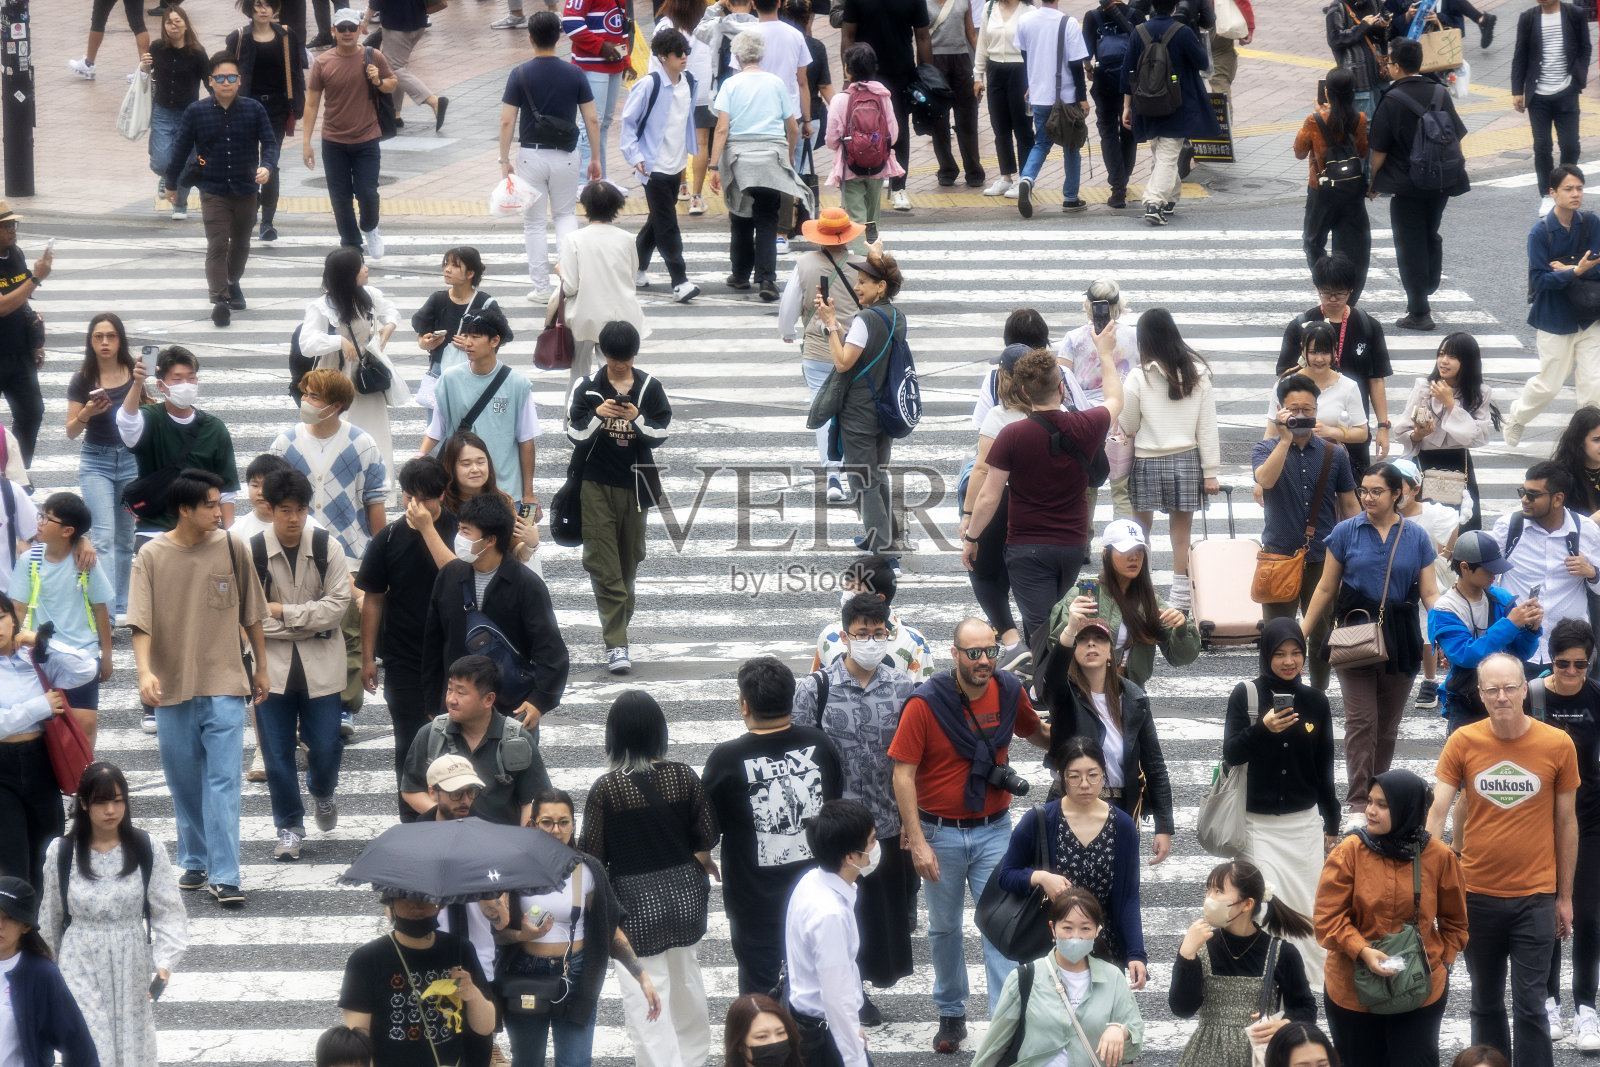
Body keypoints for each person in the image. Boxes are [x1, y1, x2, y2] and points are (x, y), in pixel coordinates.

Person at [887, 617, 1051, 1053]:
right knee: (943, 930)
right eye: (973, 653)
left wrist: (1083, 732)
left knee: (1002, 926)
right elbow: (903, 774)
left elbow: (1034, 732)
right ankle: (951, 1012)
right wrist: (917, 840)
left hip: (994, 829)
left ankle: (1004, 1021)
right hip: (939, 833)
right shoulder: (925, 704)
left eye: (990, 652)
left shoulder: (1009, 691)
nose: (983, 661)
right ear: (954, 655)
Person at [1426, 651, 1580, 1067]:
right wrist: (1423, 878)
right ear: (1480, 694)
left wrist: (1564, 897)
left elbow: (1567, 824)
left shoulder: (1557, 744)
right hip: (1475, 894)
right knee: (1485, 1002)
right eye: (1492, 690)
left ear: (1524, 690)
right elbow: (1438, 809)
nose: (1502, 697)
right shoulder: (1463, 741)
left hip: (1536, 896)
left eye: (1511, 687)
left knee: (1532, 1004)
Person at [128, 469, 269, 908]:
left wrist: (261, 666)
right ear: (185, 509)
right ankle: (194, 857)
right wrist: (144, 672)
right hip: (171, 688)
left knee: (224, 780)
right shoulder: (150, 556)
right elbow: (140, 621)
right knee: (184, 781)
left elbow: (252, 612)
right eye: (209, 504)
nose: (219, 510)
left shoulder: (232, 546)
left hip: (225, 682)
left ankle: (226, 875)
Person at [579, 692, 717, 1067]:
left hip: (635, 908)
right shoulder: (684, 776)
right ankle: (694, 1060)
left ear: (615, 736)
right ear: (659, 732)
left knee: (647, 994)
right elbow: (706, 836)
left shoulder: (606, 789)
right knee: (687, 984)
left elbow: (590, 856)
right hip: (686, 901)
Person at [793, 593, 918, 999]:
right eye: (862, 633)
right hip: (838, 828)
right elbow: (800, 759)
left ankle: (864, 985)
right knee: (840, 916)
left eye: (878, 633)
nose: (870, 640)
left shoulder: (902, 686)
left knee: (882, 918)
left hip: (885, 823)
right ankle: (850, 994)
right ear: (845, 636)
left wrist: (910, 826)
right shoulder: (816, 688)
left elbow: (913, 758)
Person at [964, 340, 1124, 639]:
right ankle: (1042, 680)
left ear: (1024, 391)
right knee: (1054, 621)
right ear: (1062, 388)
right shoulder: (1087, 425)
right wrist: (1104, 353)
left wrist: (972, 536)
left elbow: (989, 495)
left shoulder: (1012, 434)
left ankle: (1046, 680)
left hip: (1028, 547)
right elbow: (1115, 397)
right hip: (1072, 546)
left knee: (1044, 633)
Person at [1304, 463, 1440, 812]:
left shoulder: (1416, 536)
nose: (1367, 497)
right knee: (1361, 721)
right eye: (1363, 491)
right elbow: (1325, 588)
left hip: (1401, 634)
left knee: (1387, 727)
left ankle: (1380, 798)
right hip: (1355, 631)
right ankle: (1357, 803)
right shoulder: (1345, 532)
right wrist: (1298, 633)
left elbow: (1429, 593)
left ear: (1398, 494)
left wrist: (1447, 632)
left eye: (1376, 491)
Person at [703, 657, 843, 996]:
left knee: (761, 994)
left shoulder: (726, 759)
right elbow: (835, 803)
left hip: (754, 902)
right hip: (817, 892)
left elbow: (706, 826)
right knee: (819, 988)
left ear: (744, 704)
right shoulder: (820, 745)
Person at [489, 788, 656, 1067]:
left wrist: (642, 976)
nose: (556, 830)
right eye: (547, 822)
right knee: (528, 1061)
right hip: (524, 974)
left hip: (576, 975)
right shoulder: (512, 870)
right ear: (532, 824)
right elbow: (496, 934)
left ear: (573, 824)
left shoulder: (588, 869)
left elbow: (608, 928)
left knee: (576, 1062)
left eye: (564, 822)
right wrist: (522, 934)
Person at [1315, 769, 1470, 1066]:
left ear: (1407, 809)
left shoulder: (1439, 856)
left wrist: (1443, 965)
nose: (1370, 811)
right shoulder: (1349, 852)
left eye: (1383, 805)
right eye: (1370, 802)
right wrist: (1363, 951)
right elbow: (1327, 920)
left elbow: (1456, 922)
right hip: (1352, 992)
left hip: (1419, 990)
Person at [40, 763, 189, 1067]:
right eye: (101, 802)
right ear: (83, 804)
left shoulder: (148, 848)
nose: (111, 810)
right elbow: (50, 916)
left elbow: (169, 911)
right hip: (78, 961)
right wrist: (43, 973)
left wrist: (164, 963)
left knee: (132, 1048)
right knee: (92, 1047)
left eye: (118, 801)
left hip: (131, 963)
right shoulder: (62, 852)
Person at [1221, 617, 1342, 988]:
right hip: (1257, 825)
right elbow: (1230, 754)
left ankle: (1305, 986)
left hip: (1302, 825)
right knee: (1264, 904)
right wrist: (1263, 730)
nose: (1289, 661)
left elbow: (1324, 765)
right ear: (1265, 655)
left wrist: (1331, 823)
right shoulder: (1246, 695)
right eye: (1280, 654)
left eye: (1296, 653)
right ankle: (1266, 982)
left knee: (1307, 907)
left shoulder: (1316, 702)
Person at [251, 469, 352, 863]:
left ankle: (323, 792)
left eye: (301, 509)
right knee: (276, 755)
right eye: (285, 510)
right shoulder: (253, 551)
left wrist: (281, 614)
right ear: (270, 509)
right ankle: (289, 826)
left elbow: (336, 610)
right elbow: (251, 617)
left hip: (323, 667)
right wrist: (300, 620)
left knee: (326, 746)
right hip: (269, 670)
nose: (294, 518)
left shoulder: (329, 548)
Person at [566, 321, 673, 675]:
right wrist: (598, 415)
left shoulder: (650, 388)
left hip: (636, 489)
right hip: (594, 486)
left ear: (634, 355)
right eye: (613, 358)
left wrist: (637, 418)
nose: (619, 365)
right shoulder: (587, 387)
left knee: (629, 563)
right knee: (603, 563)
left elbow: (661, 432)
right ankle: (616, 644)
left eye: (625, 358)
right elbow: (573, 431)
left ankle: (618, 623)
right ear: (604, 354)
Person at [997, 734, 1147, 981]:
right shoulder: (1039, 820)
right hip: (1050, 947)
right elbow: (1007, 875)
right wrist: (1040, 877)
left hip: (1104, 946)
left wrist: (1136, 954)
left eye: (1093, 775)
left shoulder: (1122, 826)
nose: (1085, 784)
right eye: (1074, 777)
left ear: (1104, 773)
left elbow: (1129, 896)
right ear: (1061, 776)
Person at [357, 457, 455, 816]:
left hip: (451, 659)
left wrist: (429, 529)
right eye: (411, 496)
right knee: (410, 746)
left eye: (427, 498)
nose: (418, 506)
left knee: (455, 745)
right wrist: (368, 658)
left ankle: (456, 818)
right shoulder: (389, 538)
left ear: (442, 494)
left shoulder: (459, 531)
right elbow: (372, 599)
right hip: (403, 659)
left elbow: (458, 576)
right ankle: (414, 822)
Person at [1253, 372, 1360, 691]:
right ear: (1280, 409)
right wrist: (1284, 439)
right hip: (1278, 555)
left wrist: (1360, 547)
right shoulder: (1265, 449)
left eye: (1308, 409)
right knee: (1277, 634)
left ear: (1317, 409)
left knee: (1322, 631)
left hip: (1322, 557)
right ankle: (1277, 695)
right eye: (1293, 409)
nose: (1301, 415)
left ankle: (1318, 695)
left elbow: (1351, 506)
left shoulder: (1334, 453)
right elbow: (1265, 481)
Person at [420, 493, 567, 724]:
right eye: (460, 529)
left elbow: (550, 650)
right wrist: (432, 703)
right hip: (456, 710)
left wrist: (539, 702)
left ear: (490, 540)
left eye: (466, 532)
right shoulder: (449, 576)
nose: (459, 537)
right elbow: (433, 643)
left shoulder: (526, 585)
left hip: (510, 710)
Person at [163, 53, 277, 328]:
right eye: (221, 78)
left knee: (241, 244)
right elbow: (179, 151)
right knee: (217, 243)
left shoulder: (253, 110)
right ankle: (219, 300)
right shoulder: (196, 111)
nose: (227, 82)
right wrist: (170, 184)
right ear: (211, 82)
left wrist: (267, 167)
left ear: (240, 81)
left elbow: (270, 144)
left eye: (232, 77)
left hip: (246, 189)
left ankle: (230, 281)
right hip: (212, 190)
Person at [499, 11, 604, 305]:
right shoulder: (575, 73)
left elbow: (507, 121)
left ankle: (542, 288)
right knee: (565, 215)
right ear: (559, 37)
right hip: (566, 156)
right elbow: (592, 119)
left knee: (533, 223)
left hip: (530, 156)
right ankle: (569, 284)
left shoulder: (519, 74)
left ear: (530, 38)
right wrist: (595, 157)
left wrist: (503, 159)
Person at [1367, 36, 1470, 332]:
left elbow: (1380, 151)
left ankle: (1419, 311)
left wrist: (1373, 183)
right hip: (1442, 181)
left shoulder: (1392, 99)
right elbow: (1456, 133)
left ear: (1396, 66)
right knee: (1429, 233)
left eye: (1388, 61)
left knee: (1409, 245)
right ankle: (1429, 280)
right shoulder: (1439, 92)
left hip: (1408, 185)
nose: (1387, 65)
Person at [971, 889, 1143, 1067]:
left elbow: (1133, 1043)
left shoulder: (1113, 978)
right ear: (1053, 929)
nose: (1076, 936)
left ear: (1097, 931)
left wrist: (1121, 1031)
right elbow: (995, 1045)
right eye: (1067, 928)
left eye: (1085, 928)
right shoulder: (1025, 978)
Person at [1170, 860, 1319, 1067]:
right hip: (1206, 1055)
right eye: (1209, 890)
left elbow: (1306, 1007)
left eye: (1219, 891)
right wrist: (1186, 955)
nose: (1209, 899)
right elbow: (1182, 1008)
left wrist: (1284, 1024)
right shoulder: (1200, 946)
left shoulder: (1280, 952)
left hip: (1259, 1055)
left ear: (1247, 904)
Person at [1119, 308, 1218, 613]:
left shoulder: (1138, 376)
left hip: (1148, 459)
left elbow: (1129, 422)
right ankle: (1180, 601)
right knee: (1181, 536)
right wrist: (1210, 472)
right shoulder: (1198, 375)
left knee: (1139, 530)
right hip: (1187, 461)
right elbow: (1207, 426)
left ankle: (1139, 592)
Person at [1531, 619, 1600, 1048]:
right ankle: (1549, 999)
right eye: (1563, 664)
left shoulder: (1597, 696)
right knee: (1548, 917)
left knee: (1589, 915)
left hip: (1590, 818)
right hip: (1539, 820)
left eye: (1580, 665)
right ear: (1550, 660)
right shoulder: (1532, 696)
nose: (1572, 673)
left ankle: (1587, 1008)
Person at [813, 248, 907, 554]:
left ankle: (883, 552)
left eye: (863, 281)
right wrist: (837, 324)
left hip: (859, 415)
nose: (857, 287)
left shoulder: (865, 318)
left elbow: (842, 362)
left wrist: (829, 324)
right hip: (885, 410)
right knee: (877, 475)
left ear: (881, 286)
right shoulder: (895, 315)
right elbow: (864, 348)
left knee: (863, 483)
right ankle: (884, 535)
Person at [0, 600, 97, 893]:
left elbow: (86, 669)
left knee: (49, 855)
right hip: (2, 767)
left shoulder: (34, 659)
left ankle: (44, 933)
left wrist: (43, 642)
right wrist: (39, 707)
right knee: (11, 859)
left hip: (41, 761)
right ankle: (17, 934)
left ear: (13, 621)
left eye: (0, 617)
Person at [707, 31, 811, 302]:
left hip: (740, 159)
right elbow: (792, 127)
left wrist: (713, 166)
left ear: (737, 56)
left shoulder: (730, 84)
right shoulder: (776, 83)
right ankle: (766, 279)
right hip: (771, 157)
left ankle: (740, 275)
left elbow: (721, 129)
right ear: (761, 55)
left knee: (740, 217)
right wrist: (786, 159)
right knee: (767, 219)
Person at [338, 891, 496, 1067]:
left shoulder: (459, 949)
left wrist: (472, 994)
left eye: (424, 897)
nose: (415, 905)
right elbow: (358, 1039)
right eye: (404, 897)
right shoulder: (366, 960)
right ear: (391, 904)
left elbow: (486, 1027)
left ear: (440, 903)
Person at [1046, 518, 1200, 690]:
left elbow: (1181, 658)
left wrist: (1181, 628)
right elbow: (1056, 650)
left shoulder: (1149, 600)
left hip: (1131, 694)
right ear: (1106, 554)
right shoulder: (1085, 594)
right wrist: (1071, 626)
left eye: (1139, 550)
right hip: (1083, 693)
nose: (1134, 557)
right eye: (1125, 551)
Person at [1276, 253, 1395, 474]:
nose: (1332, 300)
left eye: (1339, 294)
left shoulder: (1368, 326)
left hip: (1354, 429)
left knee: (1354, 495)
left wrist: (1382, 427)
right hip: (1308, 432)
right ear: (1316, 289)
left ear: (1351, 290)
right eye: (1326, 293)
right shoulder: (1301, 325)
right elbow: (1284, 377)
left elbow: (1376, 379)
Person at [1507, 164, 1600, 447]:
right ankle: (1518, 417)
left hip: (1590, 315)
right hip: (1554, 319)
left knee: (1594, 385)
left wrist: (1569, 268)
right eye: (1568, 189)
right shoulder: (1540, 232)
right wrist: (1575, 271)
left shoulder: (1591, 222)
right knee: (1549, 384)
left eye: (1579, 188)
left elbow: (1596, 265)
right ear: (1552, 192)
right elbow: (1540, 279)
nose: (1575, 194)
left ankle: (1588, 441)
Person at [778, 799, 875, 1065]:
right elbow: (836, 995)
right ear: (850, 856)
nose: (875, 849)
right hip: (825, 1035)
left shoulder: (811, 880)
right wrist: (855, 1055)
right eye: (871, 841)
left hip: (813, 1020)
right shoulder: (829, 914)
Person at [419, 304, 541, 513]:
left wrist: (528, 493)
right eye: (466, 336)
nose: (468, 343)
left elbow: (526, 440)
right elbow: (437, 429)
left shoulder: (518, 384)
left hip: (504, 490)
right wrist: (419, 458)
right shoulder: (449, 379)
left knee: (507, 545)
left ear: (495, 341)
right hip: (459, 489)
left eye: (475, 337)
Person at [117, 345, 242, 549]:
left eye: (191, 378)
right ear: (161, 385)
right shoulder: (150, 418)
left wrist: (229, 536)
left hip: (203, 533)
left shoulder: (215, 428)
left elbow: (227, 490)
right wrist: (138, 383)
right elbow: (126, 423)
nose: (186, 384)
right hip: (156, 532)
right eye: (177, 379)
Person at [399, 655, 548, 825]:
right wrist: (450, 819)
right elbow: (411, 790)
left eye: (461, 692)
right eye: (449, 689)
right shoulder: (431, 734)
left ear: (488, 699)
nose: (451, 700)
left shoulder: (518, 739)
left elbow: (533, 801)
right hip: (446, 840)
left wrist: (519, 841)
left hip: (499, 844)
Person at [10, 493, 114, 733]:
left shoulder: (84, 562)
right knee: (47, 725)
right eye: (41, 515)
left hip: (82, 654)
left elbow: (100, 608)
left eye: (47, 519)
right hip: (42, 653)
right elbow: (18, 608)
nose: (39, 522)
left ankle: (84, 772)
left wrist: (106, 657)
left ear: (68, 531)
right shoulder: (30, 560)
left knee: (84, 724)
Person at [299, 246, 405, 477]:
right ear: (348, 275)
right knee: (333, 430)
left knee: (372, 431)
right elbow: (306, 344)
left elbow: (391, 312)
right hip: (333, 376)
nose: (366, 269)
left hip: (365, 376)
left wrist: (389, 327)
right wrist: (338, 341)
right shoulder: (321, 306)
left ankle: (373, 485)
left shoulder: (371, 295)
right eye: (361, 267)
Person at [300, 8, 397, 256]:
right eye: (341, 28)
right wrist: (306, 142)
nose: (346, 33)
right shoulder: (323, 63)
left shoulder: (373, 56)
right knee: (340, 198)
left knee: (367, 192)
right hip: (333, 142)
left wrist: (377, 80)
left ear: (358, 30)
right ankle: (351, 244)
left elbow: (392, 84)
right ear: (333, 31)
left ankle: (370, 227)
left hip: (366, 139)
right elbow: (311, 104)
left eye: (351, 28)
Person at [779, 207, 859, 503]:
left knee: (823, 410)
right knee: (853, 410)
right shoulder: (862, 264)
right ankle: (859, 471)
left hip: (817, 349)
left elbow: (789, 305)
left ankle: (833, 475)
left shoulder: (803, 264)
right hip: (853, 349)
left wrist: (788, 332)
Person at [1429, 531, 1542, 734]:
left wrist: (1531, 629)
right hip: (1465, 700)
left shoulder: (1501, 597)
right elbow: (1465, 656)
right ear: (1464, 567)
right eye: (1489, 569)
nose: (1494, 575)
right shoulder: (1444, 609)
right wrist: (1510, 624)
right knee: (1466, 762)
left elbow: (1522, 653)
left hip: (1505, 696)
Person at [1492, 461, 1600, 672]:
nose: (1524, 499)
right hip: (1516, 643)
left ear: (1557, 498)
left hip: (1567, 651)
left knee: (1567, 705)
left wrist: (1592, 573)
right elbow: (1485, 577)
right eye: (1522, 492)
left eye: (1532, 495)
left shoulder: (1585, 530)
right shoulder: (1509, 527)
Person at [961, 344, 1034, 653]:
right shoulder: (1060, 414)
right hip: (1046, 508)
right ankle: (1036, 639)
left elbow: (981, 470)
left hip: (1004, 505)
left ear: (1005, 378)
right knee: (1032, 580)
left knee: (982, 572)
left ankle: (1011, 640)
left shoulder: (1000, 417)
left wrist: (968, 517)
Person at [1120, 0, 1219, 225]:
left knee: (1161, 150)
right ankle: (1154, 203)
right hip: (1177, 103)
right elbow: (1203, 62)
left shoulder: (1139, 32)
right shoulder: (1182, 32)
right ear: (1174, 6)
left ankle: (1171, 198)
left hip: (1146, 101)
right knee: (1167, 153)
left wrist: (1127, 106)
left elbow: (1128, 73)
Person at [622, 29, 703, 304]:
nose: (684, 57)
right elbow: (629, 124)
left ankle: (632, 270)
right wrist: (635, 157)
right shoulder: (648, 85)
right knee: (667, 224)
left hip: (677, 164)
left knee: (657, 221)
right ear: (662, 57)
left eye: (686, 52)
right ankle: (679, 281)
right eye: (678, 54)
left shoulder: (690, 82)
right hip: (652, 168)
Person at [269, 369, 386, 559]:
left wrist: (382, 556)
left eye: (314, 397)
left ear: (336, 406)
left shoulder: (362, 444)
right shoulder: (285, 443)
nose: (305, 401)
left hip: (349, 554)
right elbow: (270, 498)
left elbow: (375, 500)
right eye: (305, 394)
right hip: (296, 555)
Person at [67, 318, 138, 620]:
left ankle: (122, 605)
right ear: (91, 341)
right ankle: (106, 611)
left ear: (120, 340)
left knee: (126, 537)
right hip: (96, 460)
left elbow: (148, 411)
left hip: (131, 461)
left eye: (111, 336)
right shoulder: (82, 379)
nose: (105, 342)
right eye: (98, 337)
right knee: (104, 536)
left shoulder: (134, 371)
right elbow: (70, 431)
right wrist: (87, 411)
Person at [1390, 332, 1496, 531]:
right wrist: (1418, 435)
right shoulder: (1424, 387)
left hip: (1458, 463)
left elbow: (1474, 437)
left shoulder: (1480, 392)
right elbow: (1402, 431)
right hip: (1424, 461)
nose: (1444, 361)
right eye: (1441, 354)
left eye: (1452, 357)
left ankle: (1459, 562)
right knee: (1423, 524)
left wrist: (1450, 404)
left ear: (1467, 361)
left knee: (1462, 524)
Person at [1390, 457, 1470, 711]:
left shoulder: (1431, 514)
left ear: (1415, 489)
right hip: (1393, 579)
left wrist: (1445, 554)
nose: (1395, 492)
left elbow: (1456, 522)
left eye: (1400, 486)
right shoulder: (1383, 514)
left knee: (1427, 629)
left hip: (1426, 578)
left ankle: (1429, 680)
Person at [224, 0, 306, 242]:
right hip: (246, 108)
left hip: (277, 108)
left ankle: (267, 222)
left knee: (271, 163)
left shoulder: (287, 35)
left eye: (268, 5)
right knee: (248, 163)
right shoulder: (238, 38)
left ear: (275, 9)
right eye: (258, 5)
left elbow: (296, 73)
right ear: (250, 8)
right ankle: (250, 207)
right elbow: (226, 72)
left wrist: (297, 105)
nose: (263, 10)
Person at [1056, 280, 1138, 516]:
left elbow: (1062, 381)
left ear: (1089, 305)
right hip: (1123, 419)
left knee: (1084, 488)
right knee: (1122, 491)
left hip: (1085, 422)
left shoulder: (1073, 338)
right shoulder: (1135, 336)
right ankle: (1123, 549)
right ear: (1118, 305)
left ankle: (1082, 549)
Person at [839, 0, 930, 211]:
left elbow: (923, 35)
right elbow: (848, 35)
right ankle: (864, 183)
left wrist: (927, 76)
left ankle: (899, 188)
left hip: (902, 72)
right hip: (864, 73)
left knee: (899, 129)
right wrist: (848, 74)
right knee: (860, 129)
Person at [557, 181, 648, 389]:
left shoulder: (573, 239)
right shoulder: (627, 239)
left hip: (584, 317)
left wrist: (561, 272)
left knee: (578, 376)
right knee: (614, 375)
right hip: (621, 316)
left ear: (585, 206)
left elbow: (570, 286)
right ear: (617, 207)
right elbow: (631, 278)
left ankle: (573, 419)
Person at [0, 876, 98, 1067]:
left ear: (25, 926)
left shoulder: (40, 974)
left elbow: (78, 1046)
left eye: (9, 918)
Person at [1012, 0, 1090, 219]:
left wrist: (1032, 83)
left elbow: (1026, 56)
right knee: (1072, 145)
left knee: (1042, 142)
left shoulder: (1025, 21)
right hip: (1065, 98)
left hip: (1039, 96)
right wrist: (1082, 98)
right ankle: (1070, 198)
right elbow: (1076, 65)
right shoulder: (1069, 23)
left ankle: (1026, 179)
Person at [1296, 70, 1370, 299]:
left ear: (1326, 91)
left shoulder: (1315, 120)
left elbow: (1299, 151)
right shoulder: (1359, 118)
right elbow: (1362, 150)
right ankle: (1348, 293)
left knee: (1313, 242)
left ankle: (1327, 285)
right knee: (1353, 247)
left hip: (1321, 190)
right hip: (1351, 190)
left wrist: (1319, 116)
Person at [1511, 0, 1590, 214]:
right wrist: (1517, 90)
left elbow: (1585, 48)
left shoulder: (1575, 14)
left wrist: (1578, 78)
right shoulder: (1528, 17)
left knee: (1570, 146)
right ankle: (1548, 194)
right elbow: (1520, 54)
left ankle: (1566, 188)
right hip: (1538, 95)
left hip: (1567, 91)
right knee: (1542, 146)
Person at [823, 45, 903, 246]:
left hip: (850, 166)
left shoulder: (840, 99)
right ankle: (873, 256)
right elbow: (892, 136)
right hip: (877, 166)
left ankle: (860, 263)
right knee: (872, 218)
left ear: (847, 69)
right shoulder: (883, 97)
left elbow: (832, 138)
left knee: (855, 218)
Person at [811, 556, 938, 679]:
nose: (846, 595)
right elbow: (816, 684)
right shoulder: (829, 635)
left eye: (856, 589)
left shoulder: (912, 642)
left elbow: (922, 695)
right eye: (847, 587)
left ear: (880, 598)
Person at [143, 5, 209, 222]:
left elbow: (209, 83)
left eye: (177, 21)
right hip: (162, 112)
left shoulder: (197, 53)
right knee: (162, 162)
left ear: (185, 24)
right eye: (169, 22)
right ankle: (165, 177)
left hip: (188, 116)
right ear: (164, 26)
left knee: (185, 162)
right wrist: (143, 67)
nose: (174, 26)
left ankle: (180, 204)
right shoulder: (156, 47)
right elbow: (145, 76)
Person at [654, 0, 717, 216]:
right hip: (704, 90)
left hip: (675, 90)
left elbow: (655, 63)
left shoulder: (666, 25)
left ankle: (681, 186)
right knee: (701, 143)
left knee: (678, 138)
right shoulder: (708, 22)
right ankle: (697, 198)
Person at [0, 203, 50, 470]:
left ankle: (16, 473)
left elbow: (22, 303)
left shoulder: (15, 254)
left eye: (13, 225)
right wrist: (36, 278)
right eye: (6, 225)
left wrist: (35, 343)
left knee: (32, 413)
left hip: (19, 354)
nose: (12, 230)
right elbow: (3, 306)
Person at [411, 247, 498, 395]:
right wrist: (424, 343)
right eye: (446, 264)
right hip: (439, 370)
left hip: (474, 371)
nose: (447, 269)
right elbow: (422, 331)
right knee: (437, 418)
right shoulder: (437, 299)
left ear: (470, 273)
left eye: (455, 266)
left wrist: (474, 345)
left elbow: (501, 337)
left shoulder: (485, 303)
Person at [972, 0, 1035, 201]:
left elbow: (1035, 49)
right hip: (995, 70)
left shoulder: (1029, 12)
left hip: (1020, 71)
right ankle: (1006, 177)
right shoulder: (989, 8)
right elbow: (982, 43)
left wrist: (1034, 81)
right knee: (1000, 127)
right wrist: (978, 76)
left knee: (1023, 127)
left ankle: (1025, 178)